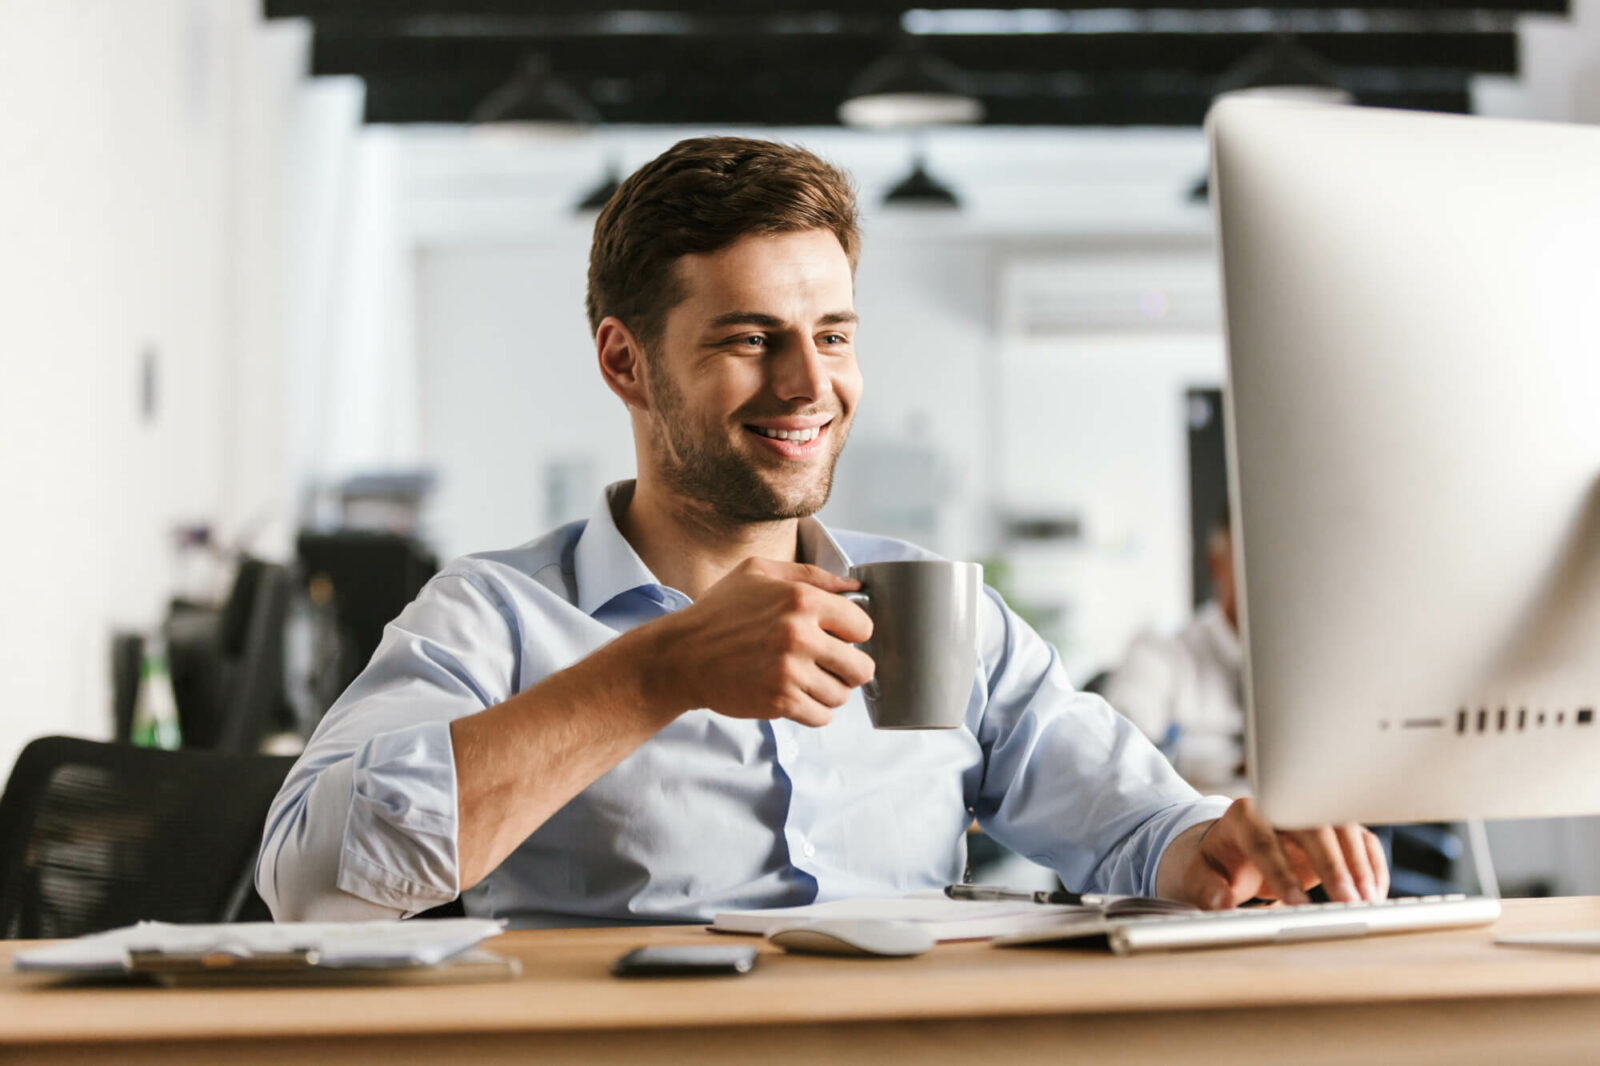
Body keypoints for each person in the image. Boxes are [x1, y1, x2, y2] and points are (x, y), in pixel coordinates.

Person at [257, 138, 1388, 926]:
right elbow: (311, 874)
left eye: (834, 333)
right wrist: (657, 671)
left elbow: (1137, 822)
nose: (810, 385)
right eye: (751, 338)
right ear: (624, 361)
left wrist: (1219, 847)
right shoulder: (496, 614)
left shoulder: (931, 608)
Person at [1102, 505, 1246, 791]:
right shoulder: (1158, 654)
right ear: (1216, 562)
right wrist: (1229, 764)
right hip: (1206, 823)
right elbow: (1119, 764)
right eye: (1249, 556)